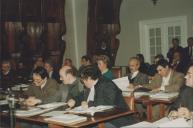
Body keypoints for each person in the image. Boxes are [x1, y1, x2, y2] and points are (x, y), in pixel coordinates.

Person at [67, 65, 135, 127]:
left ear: (89, 78)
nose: (83, 83)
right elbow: (81, 96)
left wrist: (89, 104)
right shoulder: (89, 86)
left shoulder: (107, 84)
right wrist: (74, 100)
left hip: (116, 120)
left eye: (83, 80)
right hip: (98, 118)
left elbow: (107, 104)